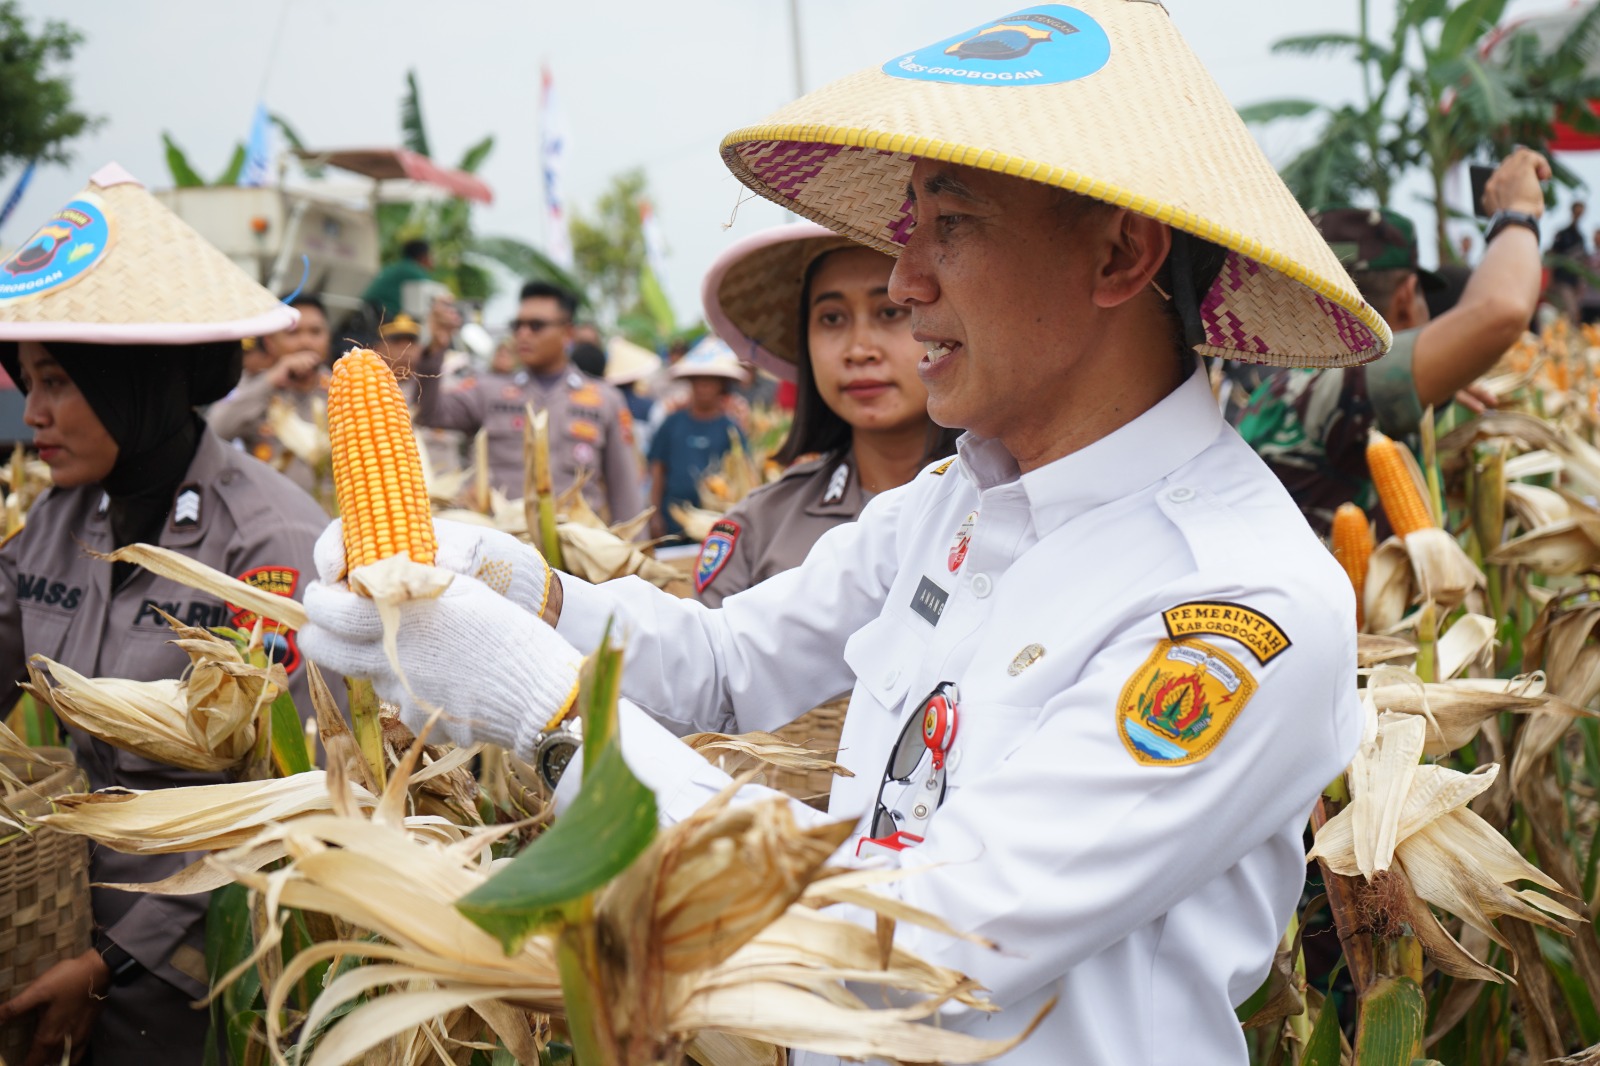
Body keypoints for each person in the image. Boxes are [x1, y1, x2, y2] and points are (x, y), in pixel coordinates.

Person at [300, 5, 1381, 1063]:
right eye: (908, 226)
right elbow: (726, 666)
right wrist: (527, 593)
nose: (905, 284)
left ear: (1117, 257)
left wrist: (546, 709)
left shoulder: (1240, 604)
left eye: (947, 223)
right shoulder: (952, 499)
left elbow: (918, 945)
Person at [0, 164, 335, 1066]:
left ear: (133, 384)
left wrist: (110, 960)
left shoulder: (265, 547)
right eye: (27, 379)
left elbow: (277, 802)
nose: (31, 412)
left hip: (205, 959)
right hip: (57, 915)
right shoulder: (56, 525)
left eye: (59, 381)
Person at [1239, 154, 1547, 535]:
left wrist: (1437, 377)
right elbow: (1502, 310)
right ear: (1406, 296)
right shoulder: (1332, 387)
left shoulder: (1289, 388)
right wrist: (1517, 212)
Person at [694, 221, 959, 606]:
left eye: (889, 312)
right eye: (832, 318)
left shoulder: (1008, 501)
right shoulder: (759, 526)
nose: (859, 349)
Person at [412, 280, 643, 519]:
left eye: (536, 326)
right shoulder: (490, 390)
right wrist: (433, 350)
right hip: (505, 547)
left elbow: (625, 488)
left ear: (567, 332)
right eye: (518, 325)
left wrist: (636, 549)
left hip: (575, 546)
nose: (523, 334)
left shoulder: (604, 399)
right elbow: (430, 414)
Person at [206, 292, 331, 497]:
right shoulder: (255, 387)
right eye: (293, 333)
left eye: (315, 332)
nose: (305, 342)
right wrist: (270, 380)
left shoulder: (344, 387)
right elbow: (214, 429)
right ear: (271, 341)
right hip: (274, 515)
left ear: (328, 336)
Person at [646, 338, 747, 540]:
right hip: (673, 522)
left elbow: (742, 476)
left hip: (717, 526)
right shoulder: (672, 423)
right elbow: (658, 469)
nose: (703, 387)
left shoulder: (731, 429)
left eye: (710, 381)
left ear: (721, 385)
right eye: (698, 380)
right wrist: (654, 514)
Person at [361, 238, 434, 321]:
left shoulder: (396, 267)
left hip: (368, 312)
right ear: (423, 256)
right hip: (382, 315)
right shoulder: (413, 270)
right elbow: (433, 296)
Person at [1551, 200, 1587, 320]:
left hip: (1574, 281)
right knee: (1568, 312)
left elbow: (1582, 262)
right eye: (1577, 212)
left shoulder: (1580, 238)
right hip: (1561, 279)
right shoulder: (1562, 234)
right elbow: (1553, 255)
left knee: (1569, 313)